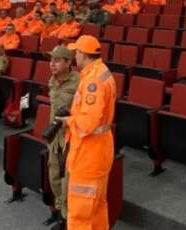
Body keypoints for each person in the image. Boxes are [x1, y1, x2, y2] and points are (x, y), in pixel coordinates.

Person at [55, 35, 116, 230]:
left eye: (76, 53)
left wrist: (68, 120)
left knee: (80, 214)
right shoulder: (100, 72)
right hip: (99, 148)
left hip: (89, 153)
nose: (74, 57)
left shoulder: (94, 81)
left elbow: (88, 122)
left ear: (83, 54)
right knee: (97, 207)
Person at [43, 45, 80, 228]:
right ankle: (60, 212)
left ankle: (67, 219)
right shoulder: (53, 80)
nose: (52, 64)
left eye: (57, 60)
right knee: (54, 176)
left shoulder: (79, 82)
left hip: (70, 138)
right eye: (51, 60)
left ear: (68, 62)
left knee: (68, 181)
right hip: (54, 136)